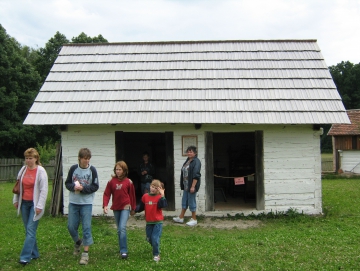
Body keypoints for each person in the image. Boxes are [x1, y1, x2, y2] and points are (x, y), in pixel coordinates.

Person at [13, 148, 49, 266]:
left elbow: (44, 190)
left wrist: (40, 206)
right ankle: (35, 253)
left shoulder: (41, 171)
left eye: (31, 158)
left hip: (35, 204)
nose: (28, 161)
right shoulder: (23, 170)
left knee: (30, 230)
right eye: (26, 158)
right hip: (24, 203)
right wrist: (16, 200)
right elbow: (18, 186)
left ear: (36, 158)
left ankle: (25, 257)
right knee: (28, 230)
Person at [65, 148, 99, 265]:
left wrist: (83, 189)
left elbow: (95, 186)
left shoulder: (92, 170)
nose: (87, 161)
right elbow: (67, 183)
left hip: (86, 203)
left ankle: (85, 254)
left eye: (88, 158)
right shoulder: (74, 169)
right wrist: (73, 187)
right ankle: (78, 242)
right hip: (74, 202)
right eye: (85, 158)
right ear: (79, 158)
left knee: (86, 227)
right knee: (71, 226)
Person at [103, 161, 136, 259]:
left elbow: (132, 196)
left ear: (124, 171)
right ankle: (121, 246)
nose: (118, 171)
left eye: (120, 170)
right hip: (116, 207)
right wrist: (105, 205)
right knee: (119, 229)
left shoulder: (128, 182)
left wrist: (133, 208)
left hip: (125, 206)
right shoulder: (111, 182)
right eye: (116, 169)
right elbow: (106, 194)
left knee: (122, 228)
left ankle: (124, 250)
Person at [136, 179, 167, 262]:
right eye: (152, 186)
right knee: (149, 238)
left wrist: (163, 195)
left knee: (155, 238)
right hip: (149, 221)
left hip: (158, 222)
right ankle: (154, 245)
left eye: (156, 188)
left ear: (159, 189)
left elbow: (163, 205)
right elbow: (141, 207)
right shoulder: (145, 196)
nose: (153, 189)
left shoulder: (159, 197)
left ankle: (156, 254)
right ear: (150, 186)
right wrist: (134, 210)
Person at [173, 146, 201, 226]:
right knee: (184, 200)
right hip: (186, 185)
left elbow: (196, 175)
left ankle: (194, 219)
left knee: (191, 201)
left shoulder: (196, 161)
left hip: (191, 185)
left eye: (191, 152)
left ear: (195, 153)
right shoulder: (188, 160)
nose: (189, 153)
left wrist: (193, 186)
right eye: (188, 152)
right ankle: (181, 217)